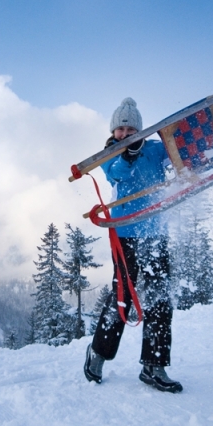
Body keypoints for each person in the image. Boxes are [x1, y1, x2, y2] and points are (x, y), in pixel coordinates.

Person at [83, 97, 183, 393]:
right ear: (113, 132)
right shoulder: (109, 154)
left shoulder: (154, 148)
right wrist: (127, 155)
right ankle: (99, 353)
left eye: (130, 128)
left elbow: (182, 151)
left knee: (160, 298)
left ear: (139, 129)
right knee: (122, 298)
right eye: (120, 129)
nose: (125, 133)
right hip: (125, 234)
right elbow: (117, 173)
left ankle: (154, 365)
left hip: (156, 234)